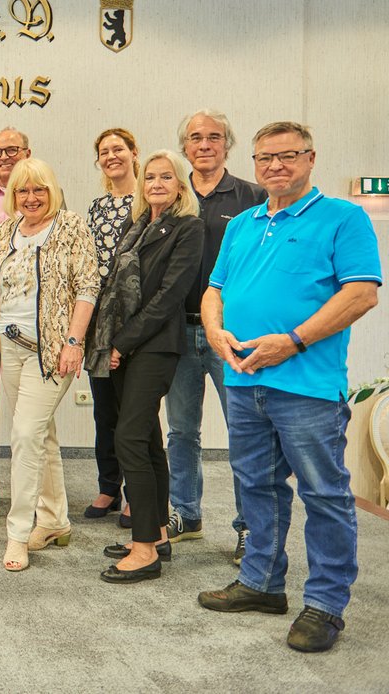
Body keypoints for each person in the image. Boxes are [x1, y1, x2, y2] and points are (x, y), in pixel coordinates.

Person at [197, 121, 380, 653]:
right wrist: (214, 330)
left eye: (287, 156)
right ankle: (261, 582)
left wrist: (293, 341)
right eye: (264, 158)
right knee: (256, 485)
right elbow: (215, 288)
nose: (274, 166)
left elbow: (362, 294)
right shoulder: (245, 222)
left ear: (311, 158)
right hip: (242, 377)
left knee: (323, 493)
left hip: (306, 384)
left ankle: (325, 604)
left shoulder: (343, 217)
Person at [87, 151, 204, 583]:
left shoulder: (188, 229)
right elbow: (113, 288)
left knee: (130, 437)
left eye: (166, 176)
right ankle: (155, 534)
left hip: (154, 345)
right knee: (149, 440)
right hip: (124, 345)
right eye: (150, 177)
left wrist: (122, 341)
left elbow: (170, 295)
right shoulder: (134, 227)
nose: (156, 183)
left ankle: (142, 552)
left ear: (180, 185)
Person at [0, 157, 99, 572]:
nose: (31, 198)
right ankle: (55, 521)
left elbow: (88, 284)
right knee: (41, 435)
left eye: (39, 190)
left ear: (52, 190)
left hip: (50, 350)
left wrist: (74, 340)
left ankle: (18, 532)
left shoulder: (71, 226)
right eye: (22, 191)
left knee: (23, 435)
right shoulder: (7, 231)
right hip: (9, 347)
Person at [166, 110, 265, 559]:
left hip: (232, 337)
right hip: (178, 333)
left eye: (214, 137)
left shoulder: (252, 196)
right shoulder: (172, 193)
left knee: (244, 433)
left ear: (227, 144)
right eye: (195, 138)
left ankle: (250, 527)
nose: (204, 145)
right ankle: (185, 513)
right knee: (181, 431)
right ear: (184, 146)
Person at [82, 128, 140, 521]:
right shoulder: (97, 206)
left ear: (134, 153)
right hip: (97, 320)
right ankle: (108, 488)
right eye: (104, 151)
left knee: (135, 412)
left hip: (135, 318)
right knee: (103, 409)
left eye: (118, 149)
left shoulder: (148, 202)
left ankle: (137, 492)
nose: (111, 156)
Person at [0, 127, 34, 496]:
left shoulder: (44, 198)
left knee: (27, 413)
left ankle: (28, 487)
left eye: (11, 150)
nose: (4, 158)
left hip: (27, 317)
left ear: (27, 153)